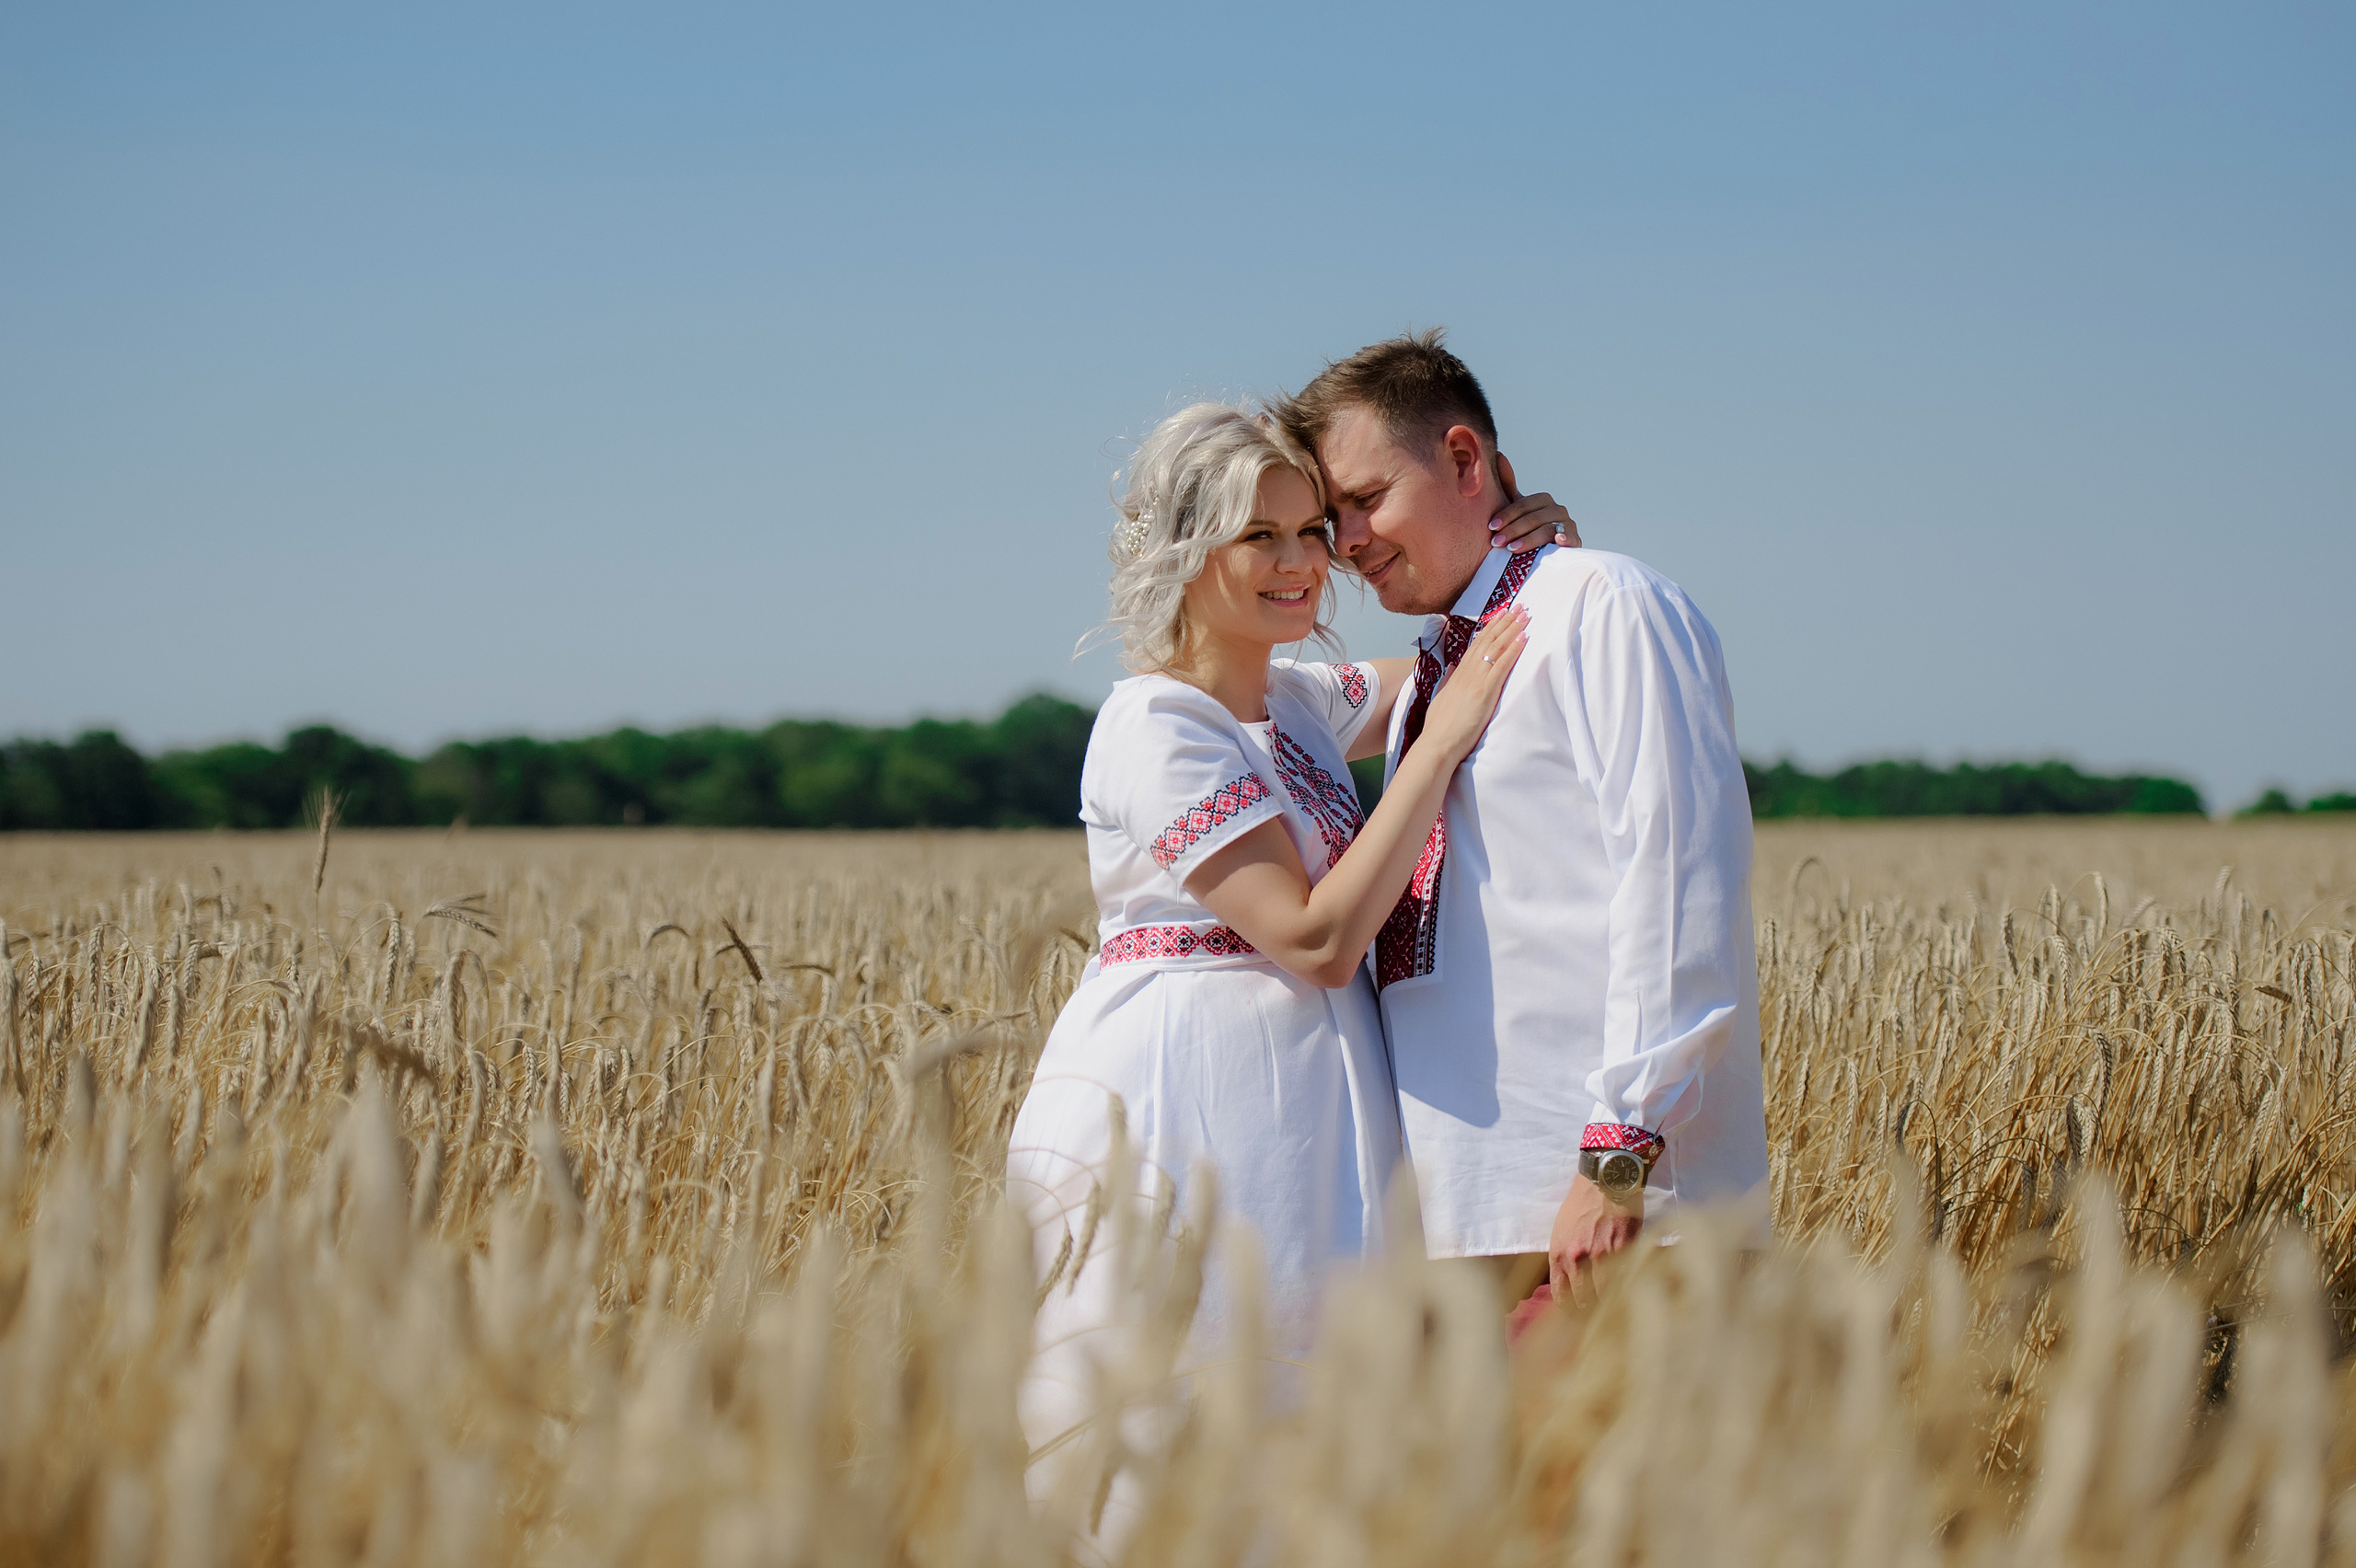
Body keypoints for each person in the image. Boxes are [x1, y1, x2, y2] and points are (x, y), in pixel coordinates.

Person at [1005, 403, 1570, 1535]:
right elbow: (1313, 939)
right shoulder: (1152, 726)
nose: (1303, 562)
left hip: (1318, 1105)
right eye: (1260, 536)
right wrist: (1440, 737)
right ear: (1182, 548)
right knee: (1183, 1402)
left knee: (1313, 1428)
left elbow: (1469, 653)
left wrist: (1525, 563)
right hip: (1188, 1105)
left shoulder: (1301, 707)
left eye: (1313, 530)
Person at [1276, 330, 1770, 1310]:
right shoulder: (1436, 669)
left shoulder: (1607, 604)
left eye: (1365, 500)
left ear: (1465, 461)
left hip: (1607, 1214)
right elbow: (1231, 688)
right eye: (1330, 519)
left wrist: (1617, 1158)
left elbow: (1678, 882)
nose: (1349, 544)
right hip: (1455, 1219)